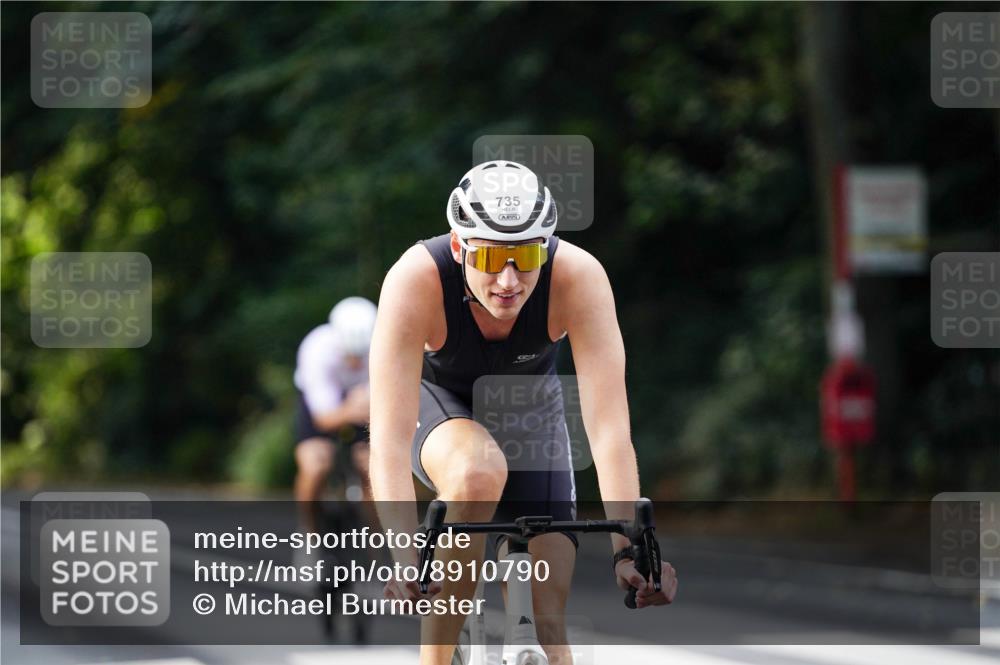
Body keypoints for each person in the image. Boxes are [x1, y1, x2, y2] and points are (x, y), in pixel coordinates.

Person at [369, 161, 678, 665]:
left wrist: (630, 549)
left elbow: (608, 431)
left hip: (532, 416)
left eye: (527, 255)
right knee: (477, 473)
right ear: (457, 247)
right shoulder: (416, 279)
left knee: (550, 629)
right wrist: (407, 554)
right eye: (490, 258)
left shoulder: (578, 276)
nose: (509, 280)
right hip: (443, 412)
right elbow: (387, 435)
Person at [293, 296, 377, 535]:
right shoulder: (317, 349)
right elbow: (323, 417)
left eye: (359, 357)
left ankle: (379, 545)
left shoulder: (382, 343)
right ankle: (308, 532)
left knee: (375, 468)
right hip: (323, 403)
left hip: (363, 404)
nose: (354, 363)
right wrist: (351, 409)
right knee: (315, 464)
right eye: (350, 355)